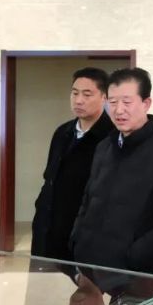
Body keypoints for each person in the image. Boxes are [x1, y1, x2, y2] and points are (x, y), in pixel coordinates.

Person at [69, 67, 153, 275]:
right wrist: (77, 241)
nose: (119, 110)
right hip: (89, 267)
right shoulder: (104, 147)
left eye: (127, 102)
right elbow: (88, 200)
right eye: (112, 102)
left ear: (146, 103)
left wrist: (135, 255)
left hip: (136, 275)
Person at [30, 67, 113, 261]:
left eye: (87, 94)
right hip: (47, 232)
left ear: (104, 97)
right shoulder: (62, 132)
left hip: (84, 239)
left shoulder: (111, 137)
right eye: (75, 93)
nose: (78, 100)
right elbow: (49, 179)